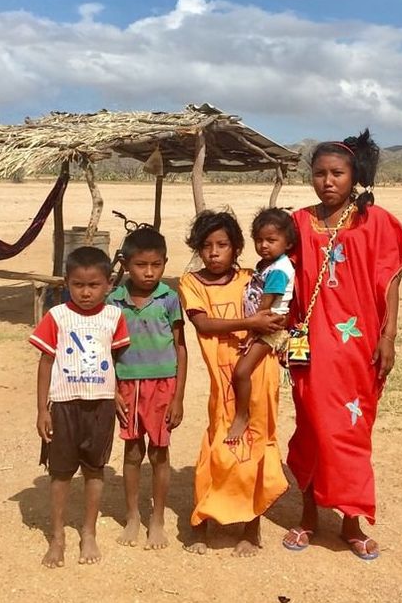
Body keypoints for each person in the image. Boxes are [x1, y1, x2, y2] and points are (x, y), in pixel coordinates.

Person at [282, 130, 402, 561]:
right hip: (311, 349)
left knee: (351, 435)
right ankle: (308, 517)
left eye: (337, 173)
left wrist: (388, 336)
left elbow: (391, 280)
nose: (327, 181)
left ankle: (351, 522)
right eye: (319, 174)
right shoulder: (298, 223)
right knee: (313, 431)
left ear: (355, 175)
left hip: (358, 350)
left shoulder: (377, 223)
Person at [179, 209, 288, 557]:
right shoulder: (191, 283)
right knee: (216, 447)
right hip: (222, 378)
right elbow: (204, 325)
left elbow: (277, 308)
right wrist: (250, 320)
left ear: (237, 248)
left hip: (259, 371)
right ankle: (203, 521)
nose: (214, 253)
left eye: (222, 245)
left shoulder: (250, 277)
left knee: (256, 445)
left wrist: (265, 323)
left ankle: (250, 526)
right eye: (207, 246)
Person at [30, 245, 130, 568]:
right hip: (64, 404)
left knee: (94, 469)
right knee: (60, 473)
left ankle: (88, 532)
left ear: (109, 284)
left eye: (94, 285)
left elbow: (114, 359)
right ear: (66, 283)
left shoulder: (114, 317)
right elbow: (46, 362)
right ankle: (57, 536)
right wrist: (42, 409)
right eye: (78, 285)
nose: (86, 293)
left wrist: (114, 391)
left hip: (100, 405)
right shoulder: (56, 316)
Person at [106, 227, 188, 551]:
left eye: (156, 264)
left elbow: (181, 348)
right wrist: (112, 391)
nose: (149, 272)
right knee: (132, 451)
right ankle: (132, 516)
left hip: (163, 384)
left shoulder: (168, 299)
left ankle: (157, 519)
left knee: (159, 452)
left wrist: (178, 397)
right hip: (127, 384)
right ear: (126, 264)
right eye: (141, 265)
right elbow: (107, 351)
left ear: (165, 263)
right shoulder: (114, 301)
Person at [224, 208, 296, 445]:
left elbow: (265, 307)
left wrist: (251, 333)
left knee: (242, 371)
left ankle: (242, 415)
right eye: (259, 240)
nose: (264, 245)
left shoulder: (278, 270)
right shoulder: (267, 263)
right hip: (263, 325)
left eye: (271, 240)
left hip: (269, 328)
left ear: (287, 243)